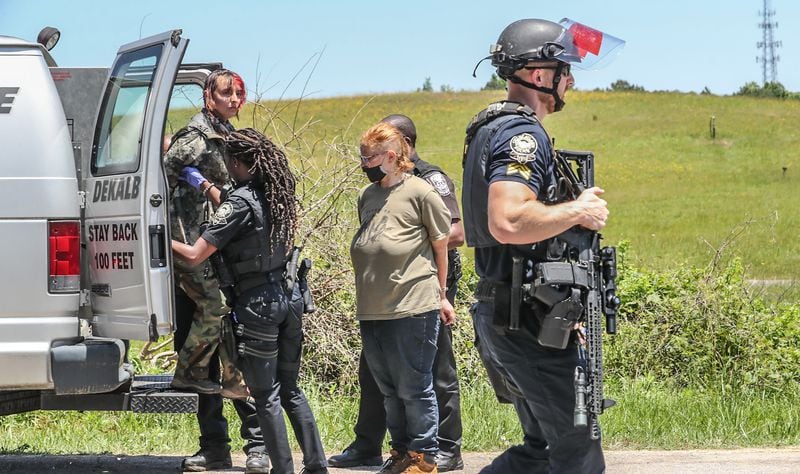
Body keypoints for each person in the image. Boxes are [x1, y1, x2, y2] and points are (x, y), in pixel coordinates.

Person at [462, 18, 622, 473]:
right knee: (578, 456)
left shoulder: (493, 128)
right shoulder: (522, 135)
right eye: (563, 70)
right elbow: (509, 220)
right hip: (524, 322)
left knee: (539, 452)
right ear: (537, 74)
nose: (569, 80)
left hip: (523, 313)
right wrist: (578, 211)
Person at [172, 128, 328, 474]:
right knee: (290, 390)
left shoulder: (239, 202)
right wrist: (205, 187)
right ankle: (316, 467)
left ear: (238, 162)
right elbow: (236, 208)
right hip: (290, 298)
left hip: (258, 306)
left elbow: (196, 254)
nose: (226, 167)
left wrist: (156, 239)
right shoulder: (276, 196)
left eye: (229, 161)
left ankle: (282, 470)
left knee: (265, 394)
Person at [328, 115, 465, 472]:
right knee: (387, 388)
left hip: (413, 303)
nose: (364, 166)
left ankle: (425, 456)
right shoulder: (367, 195)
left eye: (369, 159)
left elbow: (443, 244)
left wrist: (442, 294)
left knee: (417, 387)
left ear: (391, 155)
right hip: (373, 308)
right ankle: (401, 453)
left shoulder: (423, 189)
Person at [164, 69, 268, 473]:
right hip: (191, 250)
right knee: (203, 352)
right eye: (227, 92)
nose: (234, 99)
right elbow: (170, 163)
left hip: (218, 253)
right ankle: (214, 447)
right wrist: (202, 183)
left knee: (233, 347)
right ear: (208, 96)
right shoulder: (198, 134)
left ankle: (256, 446)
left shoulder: (226, 133)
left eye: (239, 94)